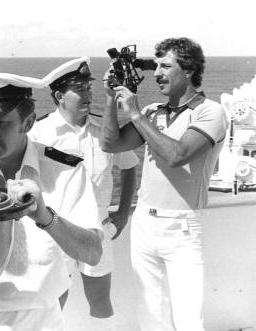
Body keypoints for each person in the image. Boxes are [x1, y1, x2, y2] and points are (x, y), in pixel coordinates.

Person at [0, 71, 103, 331]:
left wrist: (44, 216)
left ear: (29, 122)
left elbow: (92, 253)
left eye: (0, 123)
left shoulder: (65, 171)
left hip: (39, 320)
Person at [101, 37, 228, 331]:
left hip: (181, 228)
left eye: (165, 66)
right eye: (155, 65)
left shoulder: (210, 112)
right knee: (150, 315)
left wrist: (133, 112)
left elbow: (176, 155)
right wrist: (110, 99)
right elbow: (110, 143)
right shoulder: (152, 112)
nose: (156, 73)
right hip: (145, 222)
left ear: (188, 70)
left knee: (187, 320)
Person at [28, 57, 138, 331]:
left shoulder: (105, 131)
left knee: (101, 303)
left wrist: (123, 213)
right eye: (80, 89)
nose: (88, 95)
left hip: (98, 230)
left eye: (89, 88)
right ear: (59, 96)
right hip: (56, 231)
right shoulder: (39, 133)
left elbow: (129, 167)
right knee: (53, 303)